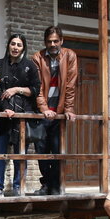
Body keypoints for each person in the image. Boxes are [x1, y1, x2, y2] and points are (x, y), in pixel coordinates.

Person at [31, 26, 79, 195]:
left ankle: (55, 185)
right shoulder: (37, 57)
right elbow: (37, 86)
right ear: (45, 42)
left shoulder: (70, 55)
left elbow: (70, 85)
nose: (52, 44)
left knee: (58, 149)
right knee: (42, 149)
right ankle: (46, 184)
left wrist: (69, 108)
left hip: (59, 112)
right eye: (49, 41)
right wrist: (44, 108)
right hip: (42, 112)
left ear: (61, 41)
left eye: (55, 41)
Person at [0, 33, 40, 197]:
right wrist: (6, 108)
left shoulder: (30, 66)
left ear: (23, 47)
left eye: (19, 45)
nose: (15, 47)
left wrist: (16, 89)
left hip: (22, 117)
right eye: (13, 44)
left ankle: (19, 186)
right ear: (8, 45)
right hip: (2, 115)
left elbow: (35, 89)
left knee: (20, 153)